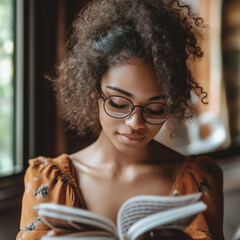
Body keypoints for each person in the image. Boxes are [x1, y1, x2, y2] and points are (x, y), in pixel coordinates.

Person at [16, 0, 225, 239]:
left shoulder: (199, 180)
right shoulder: (47, 181)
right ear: (95, 90)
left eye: (156, 108)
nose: (135, 123)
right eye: (118, 103)